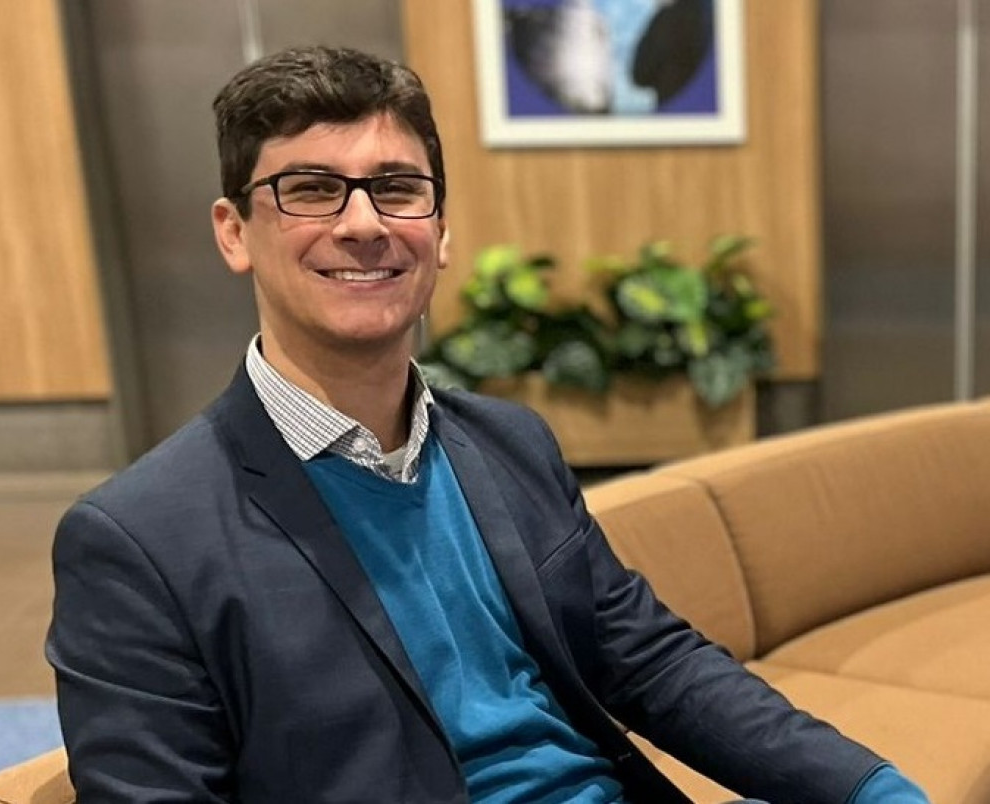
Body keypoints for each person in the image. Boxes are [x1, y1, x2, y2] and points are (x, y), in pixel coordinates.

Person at [46, 45, 929, 804]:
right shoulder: (139, 541)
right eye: (310, 190)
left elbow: (649, 662)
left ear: (440, 232)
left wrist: (867, 787)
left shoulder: (508, 443)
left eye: (398, 189)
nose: (364, 224)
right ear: (234, 232)